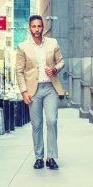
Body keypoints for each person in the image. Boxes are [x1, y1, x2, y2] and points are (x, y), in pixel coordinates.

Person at [15, 15, 65, 170]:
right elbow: (19, 71)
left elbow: (61, 61)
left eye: (39, 26)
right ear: (29, 28)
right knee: (36, 124)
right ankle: (39, 157)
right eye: (34, 26)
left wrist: (55, 69)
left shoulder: (52, 43)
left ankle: (51, 157)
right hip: (33, 90)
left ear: (43, 27)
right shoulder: (23, 47)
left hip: (50, 88)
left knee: (52, 121)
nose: (37, 29)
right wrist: (23, 91)